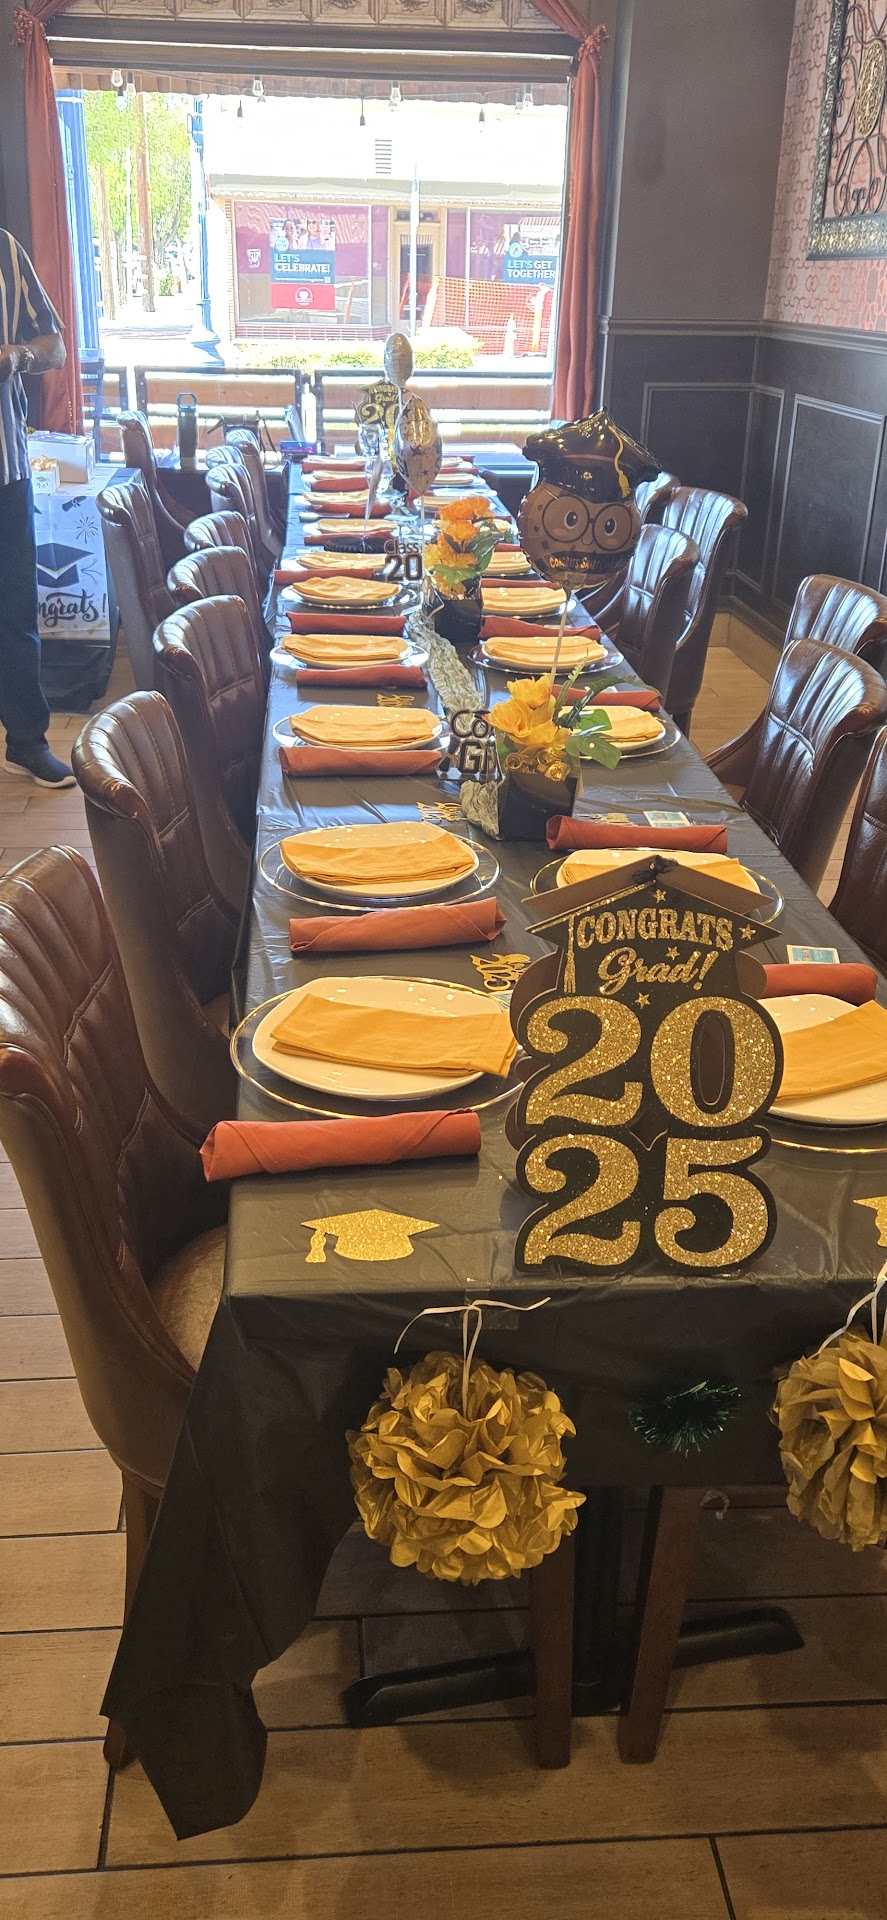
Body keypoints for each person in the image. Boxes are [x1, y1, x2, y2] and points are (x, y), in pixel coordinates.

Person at [0, 226, 74, 788]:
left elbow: (56, 345)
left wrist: (18, 355)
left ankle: (26, 741)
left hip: (5, 468)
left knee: (15, 612)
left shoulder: (6, 250)